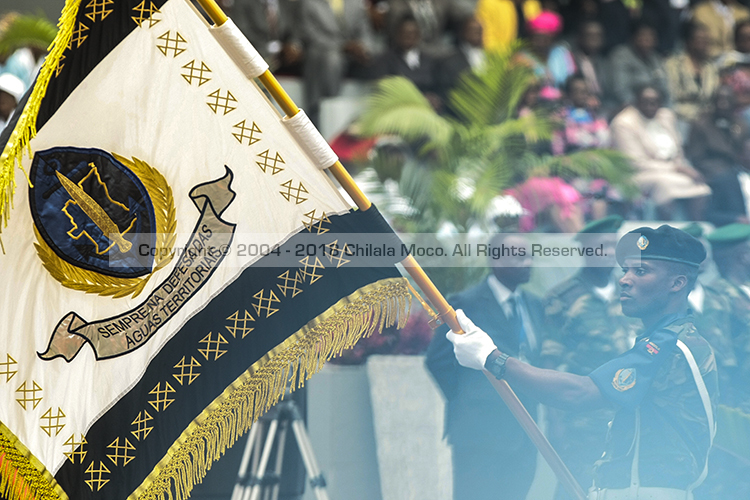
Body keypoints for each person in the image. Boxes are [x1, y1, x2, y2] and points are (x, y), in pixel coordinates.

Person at [448, 225, 718, 499]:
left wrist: (492, 358)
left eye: (641, 271)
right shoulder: (663, 338)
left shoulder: (669, 345)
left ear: (677, 283)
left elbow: (580, 392)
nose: (625, 279)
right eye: (625, 270)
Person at [425, 233, 545, 500]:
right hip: (479, 432)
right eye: (518, 256)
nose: (527, 262)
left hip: (525, 431)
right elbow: (438, 360)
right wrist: (470, 397)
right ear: (495, 259)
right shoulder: (465, 303)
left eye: (529, 255)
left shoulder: (535, 305)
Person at [542, 215, 639, 499]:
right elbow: (550, 360)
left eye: (613, 246)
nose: (609, 253)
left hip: (626, 413)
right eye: (601, 247)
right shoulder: (563, 297)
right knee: (575, 488)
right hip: (581, 417)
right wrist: (555, 420)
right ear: (585, 250)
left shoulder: (631, 292)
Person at [611, 84, 711, 221]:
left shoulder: (666, 116)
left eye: (654, 103)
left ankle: (696, 229)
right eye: (644, 102)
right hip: (638, 173)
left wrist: (681, 166)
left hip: (671, 170)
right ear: (636, 102)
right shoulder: (623, 123)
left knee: (701, 187)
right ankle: (665, 234)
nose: (649, 107)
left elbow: (678, 149)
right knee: (665, 186)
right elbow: (635, 163)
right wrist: (677, 168)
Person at [665, 22, 719, 129]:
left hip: (707, 118)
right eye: (700, 40)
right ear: (688, 42)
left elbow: (713, 97)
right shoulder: (674, 64)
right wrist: (695, 115)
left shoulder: (710, 67)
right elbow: (672, 96)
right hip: (681, 117)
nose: (704, 43)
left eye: (707, 40)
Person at [609, 22, 670, 109]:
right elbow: (620, 90)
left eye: (651, 36)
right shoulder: (621, 56)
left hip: (655, 108)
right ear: (633, 37)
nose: (647, 39)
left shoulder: (655, 58)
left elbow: (664, 89)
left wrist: (665, 108)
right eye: (643, 35)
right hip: (629, 107)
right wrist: (641, 108)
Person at [551, 74, 611, 155]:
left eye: (585, 91)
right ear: (569, 93)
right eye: (577, 91)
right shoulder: (562, 116)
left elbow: (604, 137)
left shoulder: (594, 115)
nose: (582, 95)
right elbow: (557, 142)